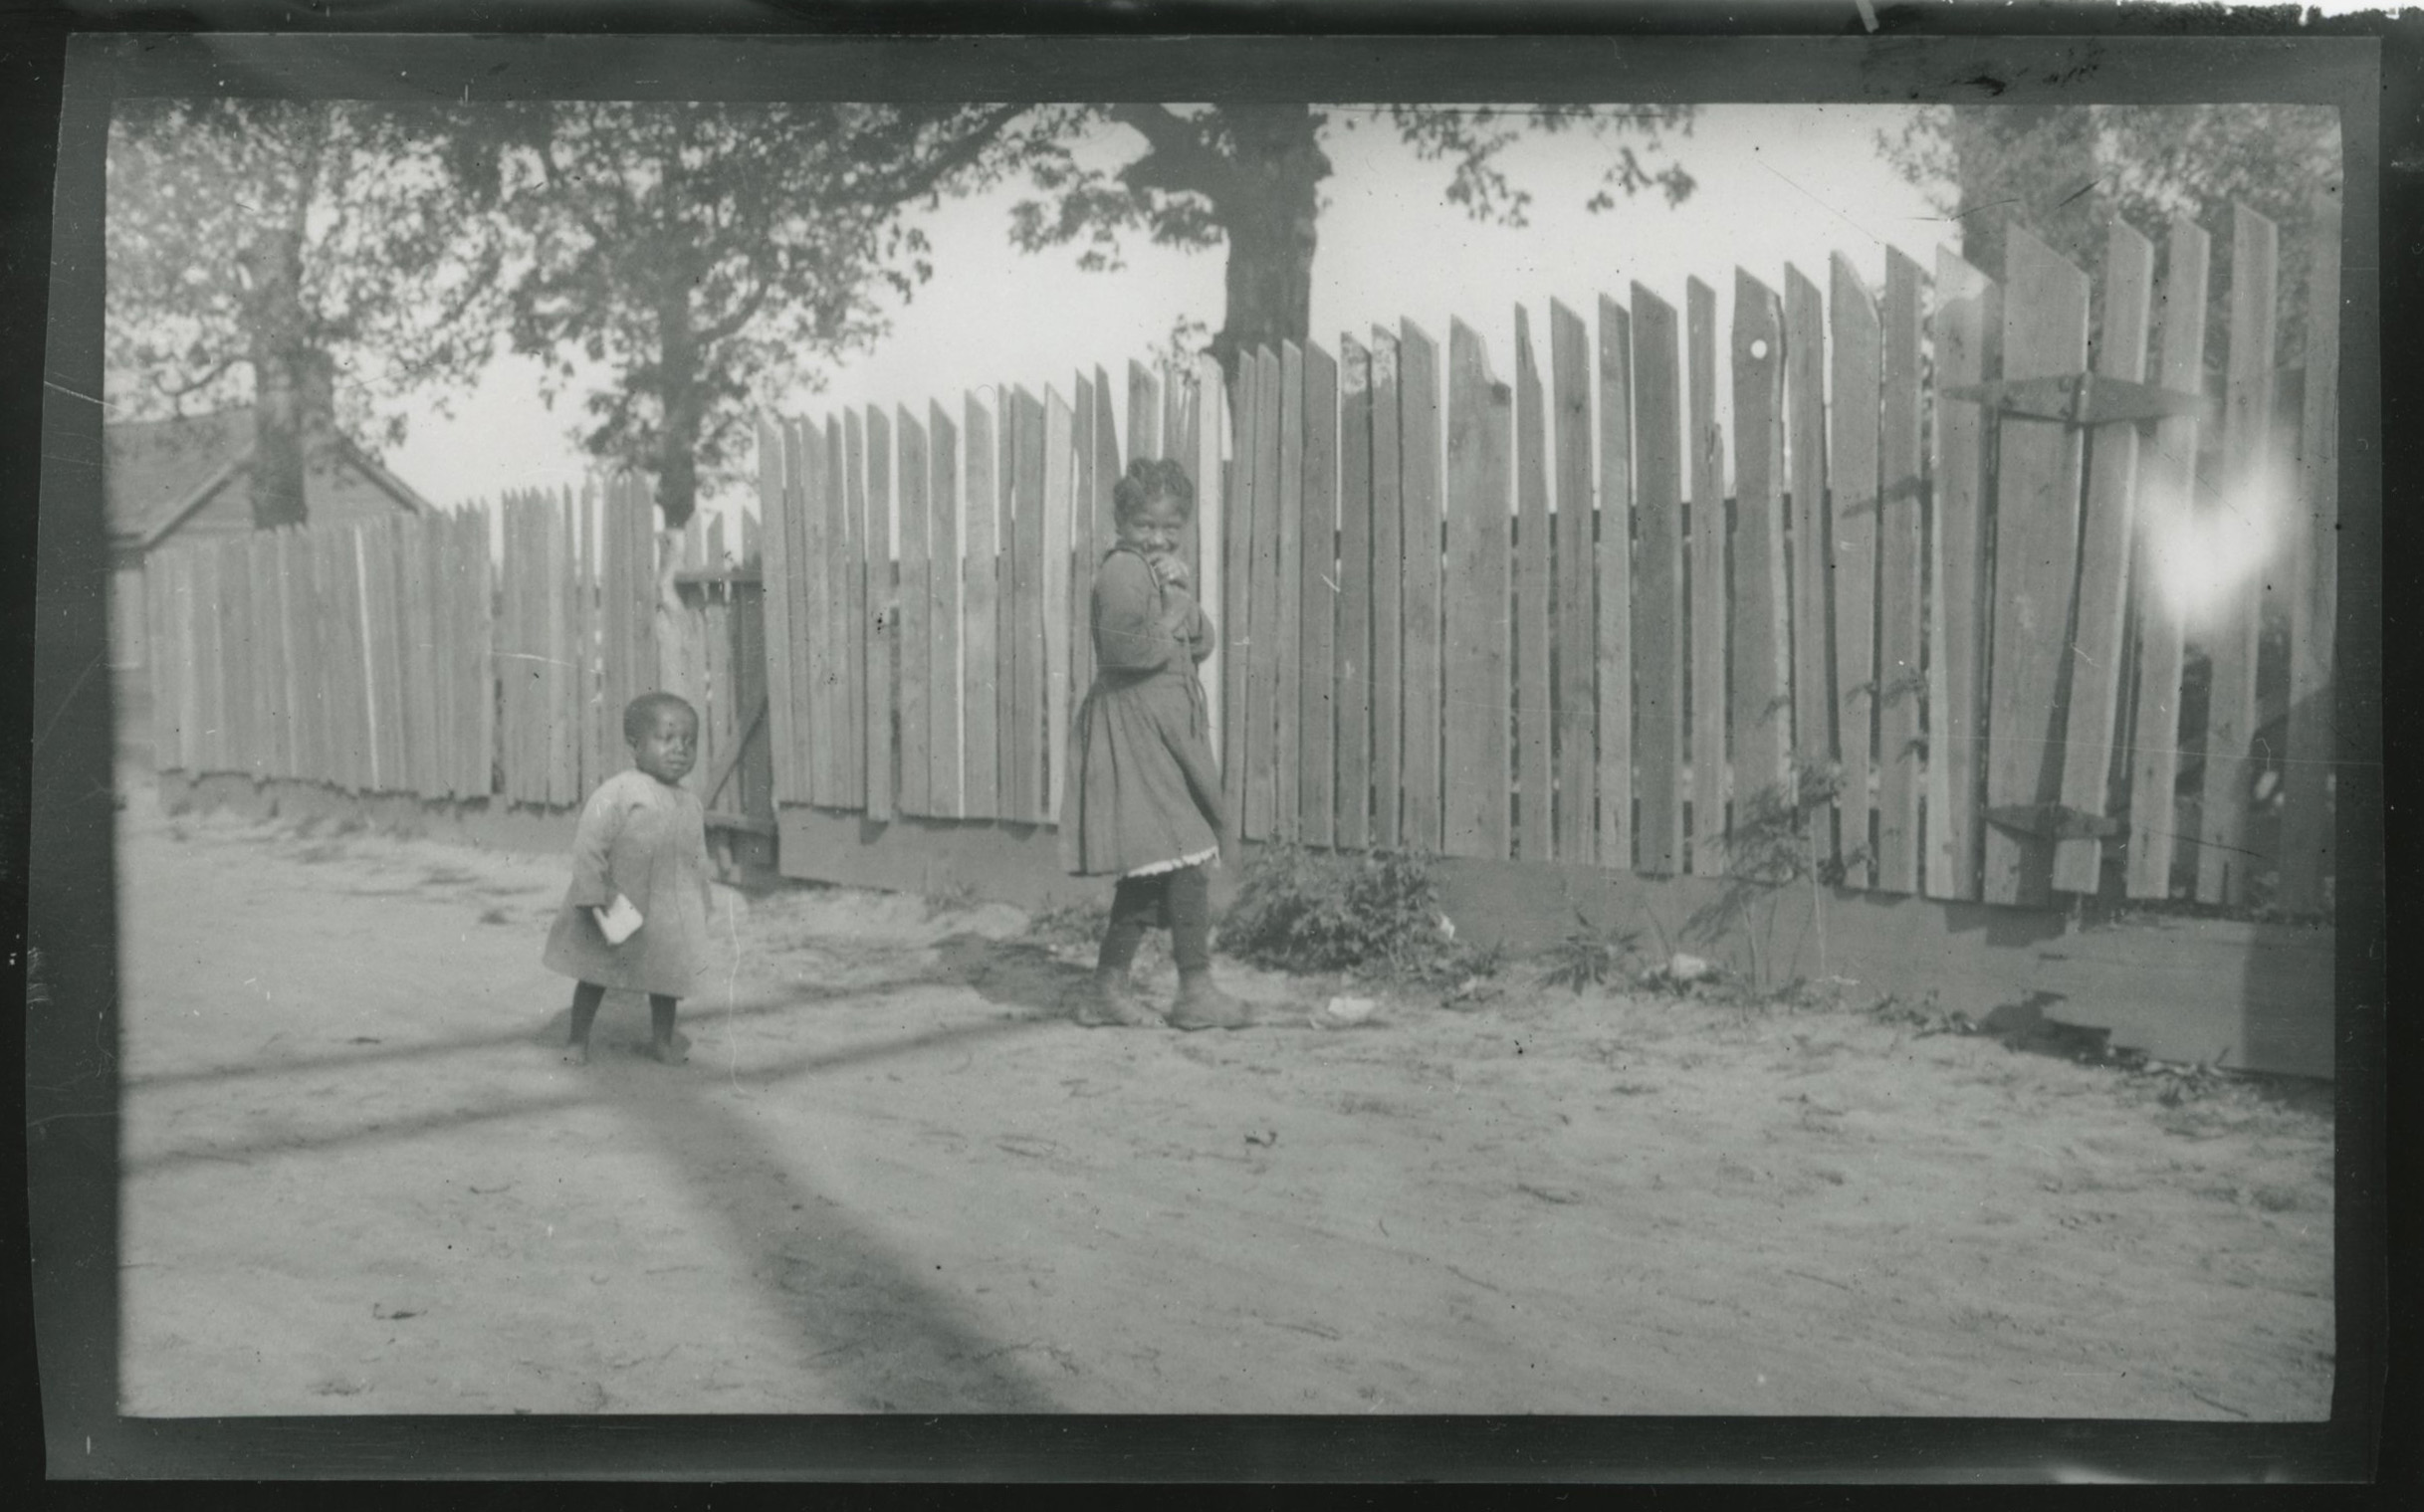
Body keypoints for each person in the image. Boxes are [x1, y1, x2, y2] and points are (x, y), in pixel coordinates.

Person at [1060, 457, 1249, 1031]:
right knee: (1180, 851)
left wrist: (1181, 592)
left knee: (1167, 861)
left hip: (1161, 731)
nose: (1158, 537)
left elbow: (1202, 642)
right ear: (1122, 522)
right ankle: (1182, 990)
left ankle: (1142, 990)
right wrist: (1171, 609)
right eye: (1146, 526)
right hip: (1134, 731)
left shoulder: (1155, 570)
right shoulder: (1121, 571)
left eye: (1171, 528)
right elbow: (1129, 653)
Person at [543, 692, 717, 1064]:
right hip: (618, 900)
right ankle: (578, 1040)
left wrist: (703, 900)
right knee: (597, 970)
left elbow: (696, 857)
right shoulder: (620, 791)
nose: (679, 750)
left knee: (666, 978)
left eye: (689, 742)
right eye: (666, 739)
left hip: (668, 912)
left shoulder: (690, 802)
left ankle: (662, 1041)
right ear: (636, 745)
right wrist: (591, 892)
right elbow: (590, 844)